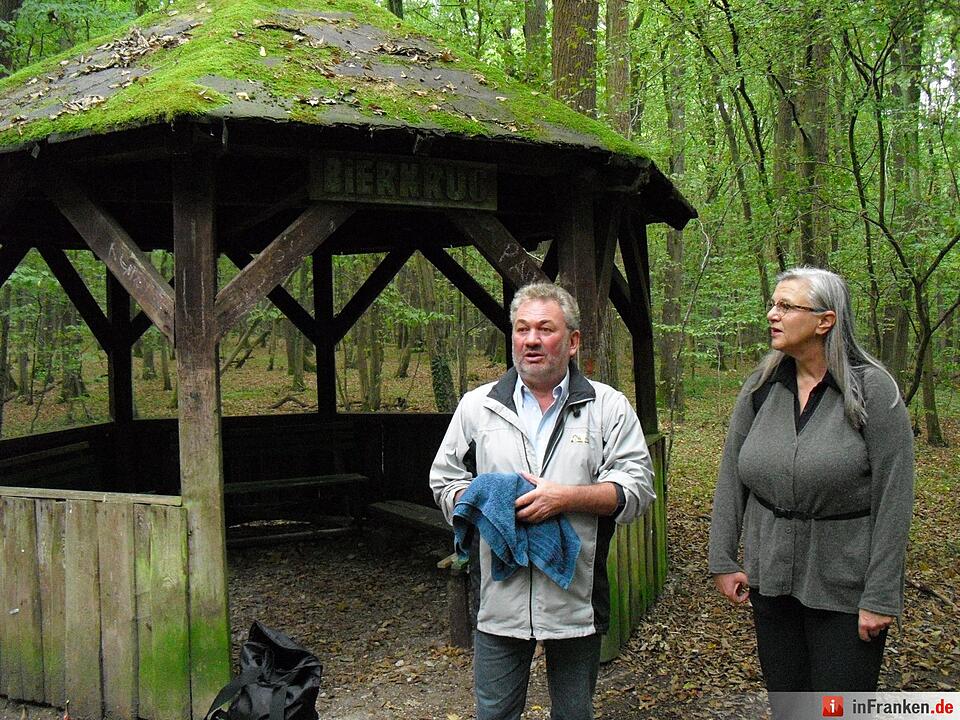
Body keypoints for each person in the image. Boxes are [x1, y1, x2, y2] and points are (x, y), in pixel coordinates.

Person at [430, 282, 655, 720]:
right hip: (499, 596)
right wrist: (483, 501)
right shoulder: (477, 406)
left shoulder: (607, 406)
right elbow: (445, 479)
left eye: (545, 329)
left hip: (576, 597)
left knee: (573, 713)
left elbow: (637, 487)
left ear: (572, 342)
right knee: (494, 713)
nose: (531, 340)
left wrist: (565, 498)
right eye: (522, 329)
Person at [708, 267, 914, 712]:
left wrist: (880, 596)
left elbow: (894, 498)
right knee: (790, 707)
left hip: (845, 589)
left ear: (825, 320)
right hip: (772, 579)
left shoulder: (873, 391)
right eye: (773, 304)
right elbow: (732, 473)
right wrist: (722, 559)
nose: (771, 314)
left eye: (786, 306)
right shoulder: (762, 387)